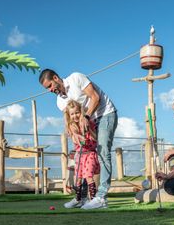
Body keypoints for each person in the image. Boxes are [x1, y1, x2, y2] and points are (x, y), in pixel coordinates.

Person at [39, 69, 118, 209]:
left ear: (56, 78)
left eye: (50, 86)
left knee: (103, 152)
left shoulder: (76, 78)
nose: (50, 90)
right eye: (47, 89)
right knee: (81, 159)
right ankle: (81, 198)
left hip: (105, 114)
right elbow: (69, 120)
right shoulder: (60, 101)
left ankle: (101, 198)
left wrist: (86, 117)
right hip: (89, 122)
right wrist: (74, 133)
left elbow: (95, 98)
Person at [63, 100, 100, 208]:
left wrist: (88, 130)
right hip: (80, 155)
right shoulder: (72, 127)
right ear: (69, 116)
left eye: (77, 112)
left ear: (81, 112)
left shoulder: (89, 123)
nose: (75, 115)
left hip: (90, 154)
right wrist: (78, 136)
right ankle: (78, 199)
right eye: (72, 114)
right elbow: (75, 138)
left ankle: (93, 200)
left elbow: (95, 139)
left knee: (88, 176)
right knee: (78, 178)